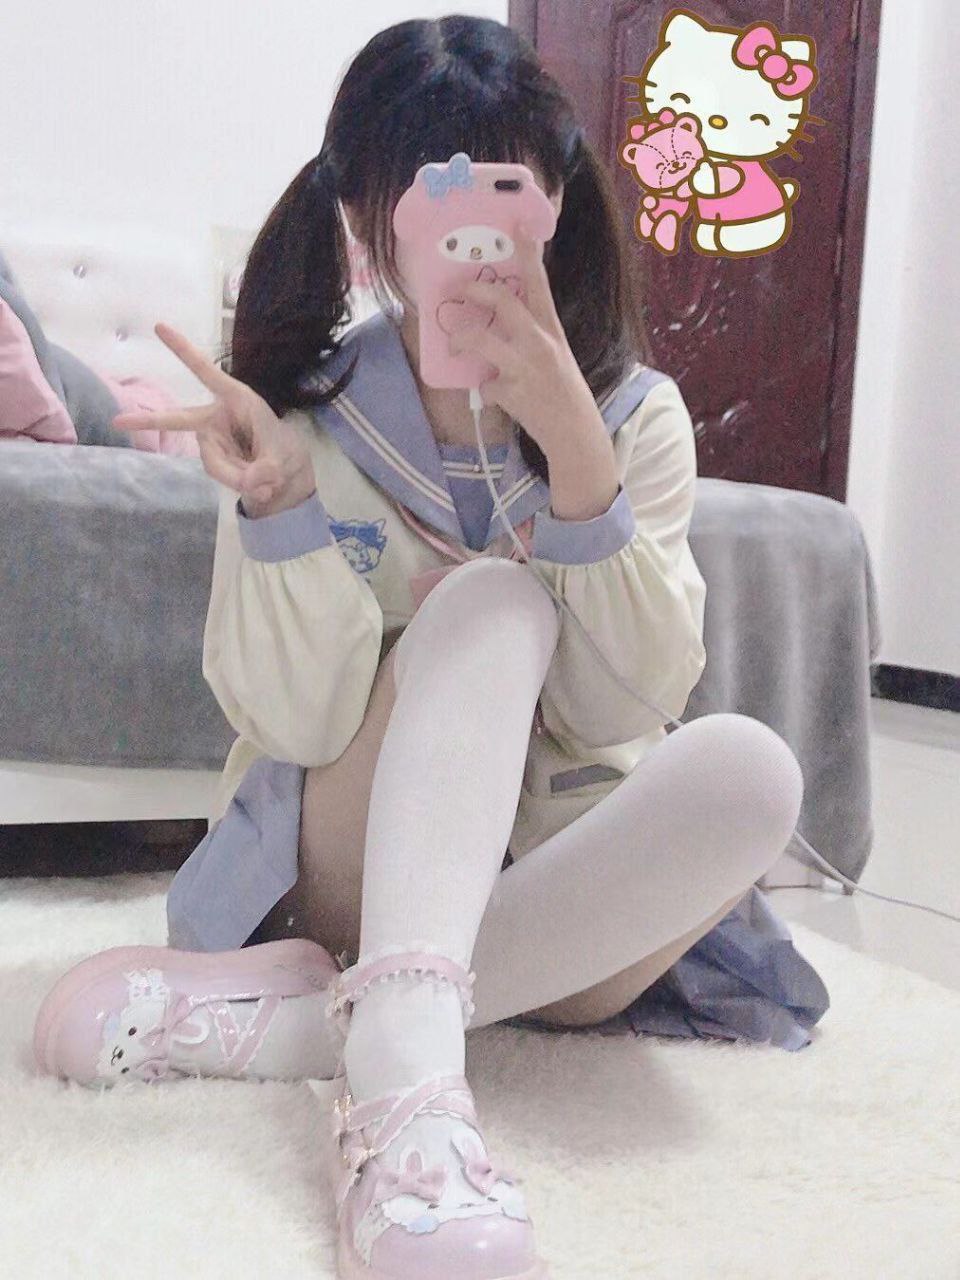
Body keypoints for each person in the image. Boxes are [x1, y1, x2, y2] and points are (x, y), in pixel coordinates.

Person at [32, 16, 807, 1279]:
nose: (470, 235)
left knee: (753, 773)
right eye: (430, 196)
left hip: (553, 895)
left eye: (501, 188)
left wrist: (581, 464)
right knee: (492, 607)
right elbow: (294, 725)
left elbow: (628, 708)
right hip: (349, 869)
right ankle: (404, 1103)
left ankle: (313, 1027)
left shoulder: (634, 415)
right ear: (368, 220)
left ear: (552, 202)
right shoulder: (303, 419)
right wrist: (286, 512)